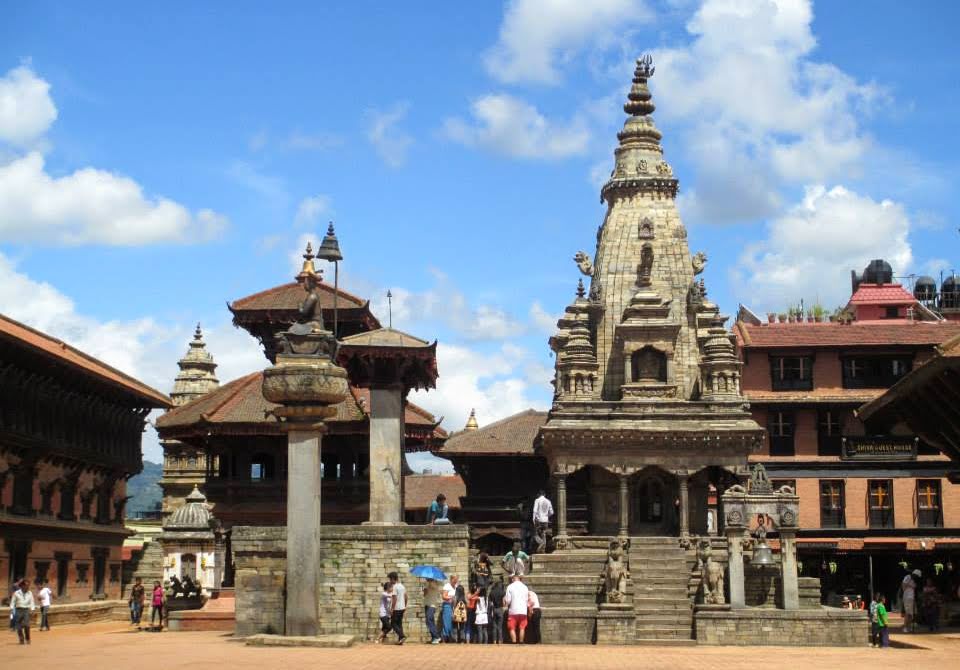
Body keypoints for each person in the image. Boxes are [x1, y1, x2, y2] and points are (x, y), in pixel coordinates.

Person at [504, 574, 530, 644]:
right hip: (523, 610)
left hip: (513, 610)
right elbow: (527, 599)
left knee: (512, 627)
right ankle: (521, 641)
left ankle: (514, 642)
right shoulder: (525, 587)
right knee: (522, 627)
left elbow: (508, 600)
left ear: (513, 579)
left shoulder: (510, 587)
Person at [11, 579, 35, 645]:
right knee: (19, 626)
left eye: (28, 585)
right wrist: (12, 610)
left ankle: (28, 638)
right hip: (18, 609)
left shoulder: (30, 593)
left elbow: (32, 602)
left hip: (26, 610)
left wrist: (32, 609)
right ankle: (21, 639)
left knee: (27, 625)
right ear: (22, 586)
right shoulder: (16, 593)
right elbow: (13, 602)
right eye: (26, 585)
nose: (27, 587)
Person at [532, 490, 554, 554]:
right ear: (544, 494)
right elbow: (552, 512)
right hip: (545, 520)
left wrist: (533, 519)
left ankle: (541, 543)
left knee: (535, 534)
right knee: (543, 534)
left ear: (539, 494)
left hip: (538, 520)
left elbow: (535, 510)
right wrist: (547, 516)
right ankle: (543, 550)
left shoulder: (537, 500)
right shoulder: (548, 501)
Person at [388, 571, 407, 644]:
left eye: (390, 579)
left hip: (397, 608)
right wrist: (405, 606)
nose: (390, 581)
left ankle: (402, 636)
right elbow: (406, 597)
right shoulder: (402, 586)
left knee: (393, 624)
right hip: (402, 607)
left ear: (393, 578)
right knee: (399, 624)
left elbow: (394, 598)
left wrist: (392, 609)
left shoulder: (395, 587)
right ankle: (400, 640)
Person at [423, 578, 442, 644]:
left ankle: (436, 637)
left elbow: (425, 593)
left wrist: (426, 586)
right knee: (431, 621)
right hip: (428, 604)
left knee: (429, 620)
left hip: (431, 605)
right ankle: (434, 637)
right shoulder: (430, 584)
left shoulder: (431, 584)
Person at [488, 576, 506, 645]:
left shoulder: (491, 592)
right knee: (500, 626)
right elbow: (504, 602)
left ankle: (494, 641)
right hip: (500, 609)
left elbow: (490, 602)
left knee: (494, 626)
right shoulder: (502, 592)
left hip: (494, 609)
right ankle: (500, 640)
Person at [441, 575, 457, 642]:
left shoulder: (456, 586)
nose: (456, 581)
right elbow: (444, 596)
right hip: (447, 605)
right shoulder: (447, 586)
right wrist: (451, 598)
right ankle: (444, 638)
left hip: (454, 606)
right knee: (446, 622)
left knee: (451, 622)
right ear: (451, 579)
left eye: (457, 580)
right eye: (455, 580)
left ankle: (450, 637)